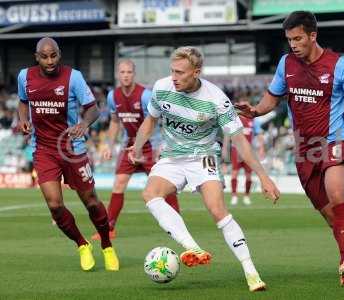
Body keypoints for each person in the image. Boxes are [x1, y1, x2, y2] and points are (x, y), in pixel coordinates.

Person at [235, 11, 344, 287]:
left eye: (298, 38)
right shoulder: (286, 64)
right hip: (305, 150)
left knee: (337, 192)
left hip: (336, 140)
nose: (293, 44)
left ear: (312, 35)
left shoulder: (339, 65)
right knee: (333, 218)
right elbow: (271, 99)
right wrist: (255, 111)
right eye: (289, 39)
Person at [128, 46, 280, 292]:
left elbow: (240, 141)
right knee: (150, 194)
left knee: (218, 210)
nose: (174, 77)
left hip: (203, 157)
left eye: (180, 72)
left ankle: (251, 272)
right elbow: (151, 120)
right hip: (172, 157)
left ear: (196, 72)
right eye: (172, 71)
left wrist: (264, 177)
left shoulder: (217, 100)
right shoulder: (161, 88)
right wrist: (136, 147)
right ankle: (193, 248)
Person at [17, 37, 119, 272]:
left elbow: (93, 108)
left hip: (73, 150)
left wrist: (84, 124)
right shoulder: (25, 76)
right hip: (43, 149)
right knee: (54, 205)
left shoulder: (73, 77)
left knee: (91, 202)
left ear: (59, 55)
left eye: (53, 55)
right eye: (44, 56)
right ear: (37, 57)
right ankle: (82, 245)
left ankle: (106, 245)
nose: (50, 60)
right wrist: (23, 120)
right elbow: (23, 102)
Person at [91, 59, 180, 241]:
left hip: (151, 147)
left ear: (134, 74)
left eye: (129, 72)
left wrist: (146, 147)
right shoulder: (112, 96)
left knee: (164, 187)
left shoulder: (145, 95)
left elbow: (154, 122)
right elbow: (115, 122)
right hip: (128, 145)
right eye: (122, 72)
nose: (125, 75)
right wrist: (109, 144)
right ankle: (109, 229)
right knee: (119, 184)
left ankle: (177, 225)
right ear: (118, 74)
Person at [223, 99, 265, 205]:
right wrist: (225, 147)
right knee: (234, 173)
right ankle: (234, 195)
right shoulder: (233, 119)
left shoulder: (253, 120)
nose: (242, 108)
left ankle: (246, 196)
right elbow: (228, 134)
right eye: (240, 106)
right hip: (236, 150)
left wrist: (261, 148)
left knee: (248, 175)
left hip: (248, 151)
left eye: (244, 106)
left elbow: (259, 134)